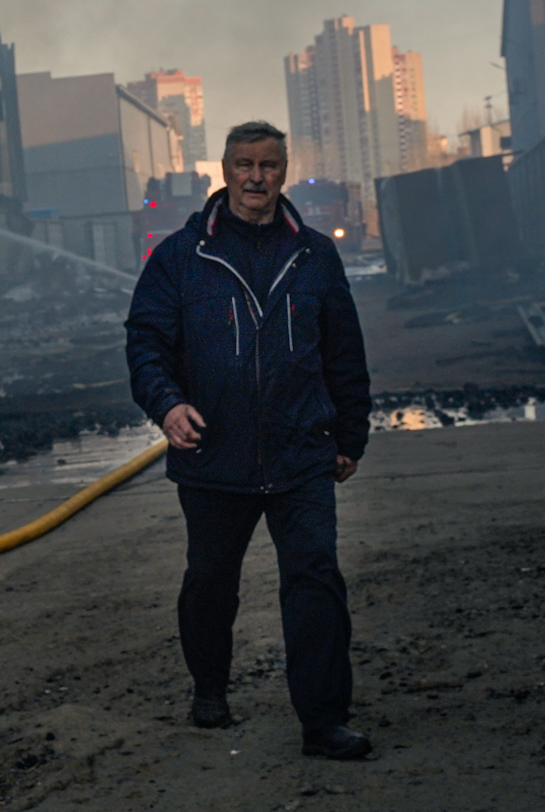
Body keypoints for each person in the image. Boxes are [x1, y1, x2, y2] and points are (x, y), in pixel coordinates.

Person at [124, 120, 374, 760]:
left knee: (315, 581)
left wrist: (350, 435)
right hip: (213, 456)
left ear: (283, 171)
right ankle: (209, 687)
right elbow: (147, 343)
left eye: (268, 165)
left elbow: (345, 353)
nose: (256, 177)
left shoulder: (316, 254)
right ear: (226, 171)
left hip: (301, 453)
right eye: (243, 165)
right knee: (210, 581)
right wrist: (167, 405)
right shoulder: (181, 257)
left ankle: (323, 722)